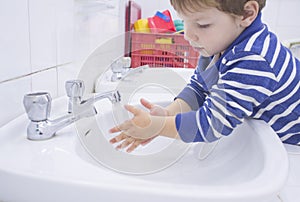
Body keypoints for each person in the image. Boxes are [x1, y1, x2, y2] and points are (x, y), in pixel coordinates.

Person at [109, 0, 300, 153]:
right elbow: (200, 88)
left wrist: (157, 126)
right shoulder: (221, 44)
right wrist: (170, 113)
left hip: (292, 145)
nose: (188, 34)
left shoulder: (254, 59)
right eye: (184, 21)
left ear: (247, 13)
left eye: (202, 24)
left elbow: (212, 124)